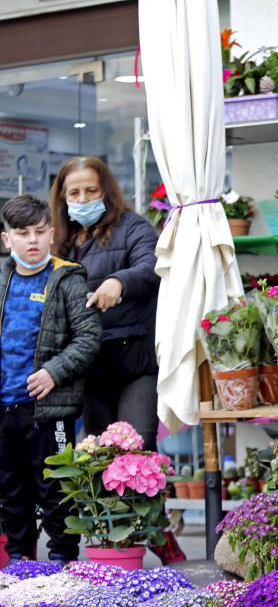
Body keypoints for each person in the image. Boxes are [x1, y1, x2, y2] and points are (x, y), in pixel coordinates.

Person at [49, 156, 186, 564]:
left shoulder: (133, 226)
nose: (83, 198)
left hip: (134, 361)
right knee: (97, 461)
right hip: (87, 368)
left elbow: (152, 268)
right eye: (74, 193)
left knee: (137, 452)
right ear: (63, 197)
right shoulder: (58, 238)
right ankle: (117, 544)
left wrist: (118, 281)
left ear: (106, 190)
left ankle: (157, 536)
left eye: (91, 190)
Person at [0, 195, 102, 565]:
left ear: (52, 233)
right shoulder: (3, 279)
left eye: (40, 232)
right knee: (12, 488)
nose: (32, 240)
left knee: (56, 485)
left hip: (49, 407)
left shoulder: (68, 278)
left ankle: (62, 556)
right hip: (4, 405)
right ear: (6, 239)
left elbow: (89, 337)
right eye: (22, 233)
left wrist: (53, 372)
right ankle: (19, 559)